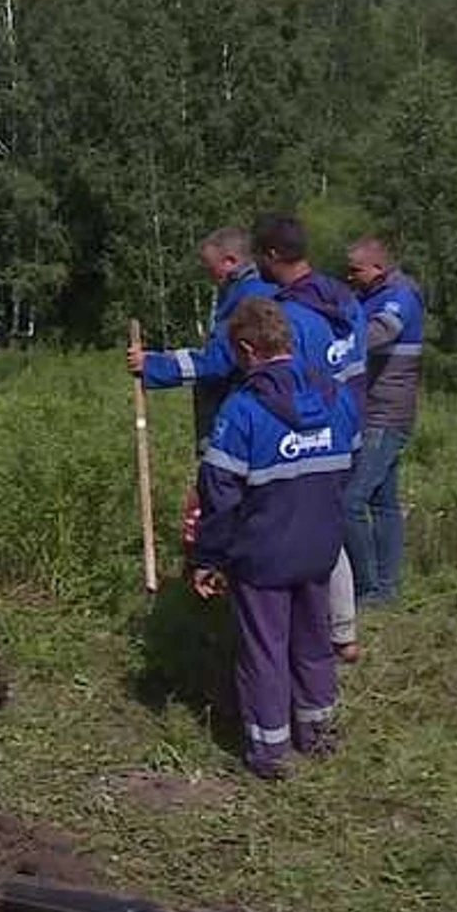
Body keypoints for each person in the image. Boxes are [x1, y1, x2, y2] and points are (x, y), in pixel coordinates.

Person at [189, 296, 355, 780]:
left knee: (264, 651)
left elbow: (219, 494)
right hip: (320, 547)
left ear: (246, 349)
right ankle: (319, 733)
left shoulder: (242, 410)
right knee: (314, 642)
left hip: (262, 555)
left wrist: (207, 557)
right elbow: (351, 464)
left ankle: (269, 752)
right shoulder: (337, 397)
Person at [253, 214, 367, 663]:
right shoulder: (344, 300)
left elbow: (291, 384)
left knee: (307, 532)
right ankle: (344, 632)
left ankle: (309, 633)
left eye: (261, 256)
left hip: (314, 435)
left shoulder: (294, 317)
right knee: (330, 526)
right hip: (351, 425)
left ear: (273, 256)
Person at [125, 227, 277, 558]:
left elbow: (220, 360)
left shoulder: (248, 297)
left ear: (230, 260)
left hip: (238, 414)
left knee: (230, 497)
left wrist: (153, 365)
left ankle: (224, 569)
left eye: (210, 265)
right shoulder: (243, 292)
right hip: (249, 412)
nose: (208, 273)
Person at [342, 236, 426, 605]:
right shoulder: (366, 296)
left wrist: (333, 347)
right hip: (370, 409)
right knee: (382, 502)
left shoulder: (400, 295)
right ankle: (387, 588)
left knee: (350, 500)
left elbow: (381, 332)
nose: (350, 277)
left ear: (377, 267)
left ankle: (367, 586)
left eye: (355, 270)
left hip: (386, 413)